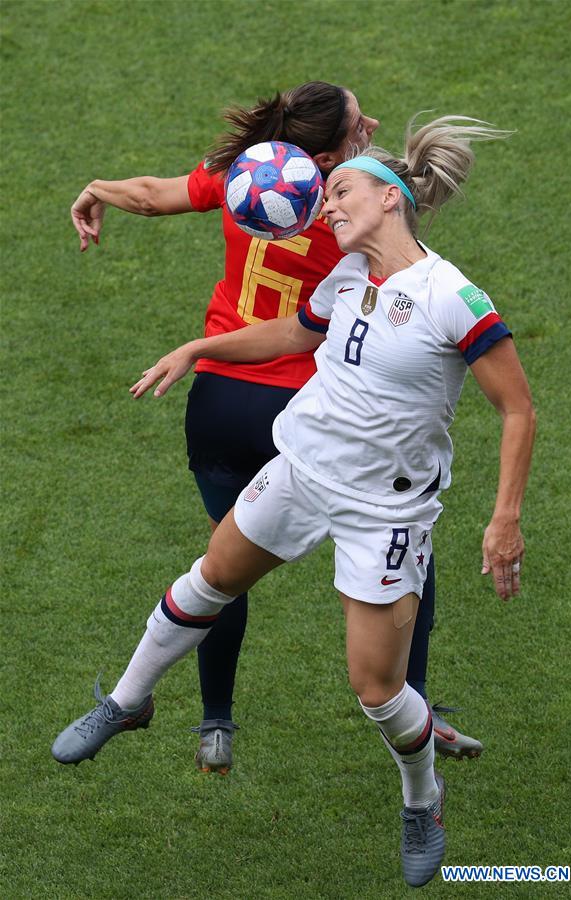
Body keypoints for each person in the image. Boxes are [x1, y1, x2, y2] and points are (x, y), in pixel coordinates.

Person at [54, 115, 535, 886]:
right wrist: (199, 348)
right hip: (302, 471)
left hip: (383, 511)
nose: (326, 206)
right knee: (208, 579)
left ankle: (421, 798)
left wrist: (503, 518)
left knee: (377, 690)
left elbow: (518, 409)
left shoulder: (453, 299)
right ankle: (127, 701)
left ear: (388, 199)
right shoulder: (345, 277)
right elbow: (293, 335)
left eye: (340, 191)